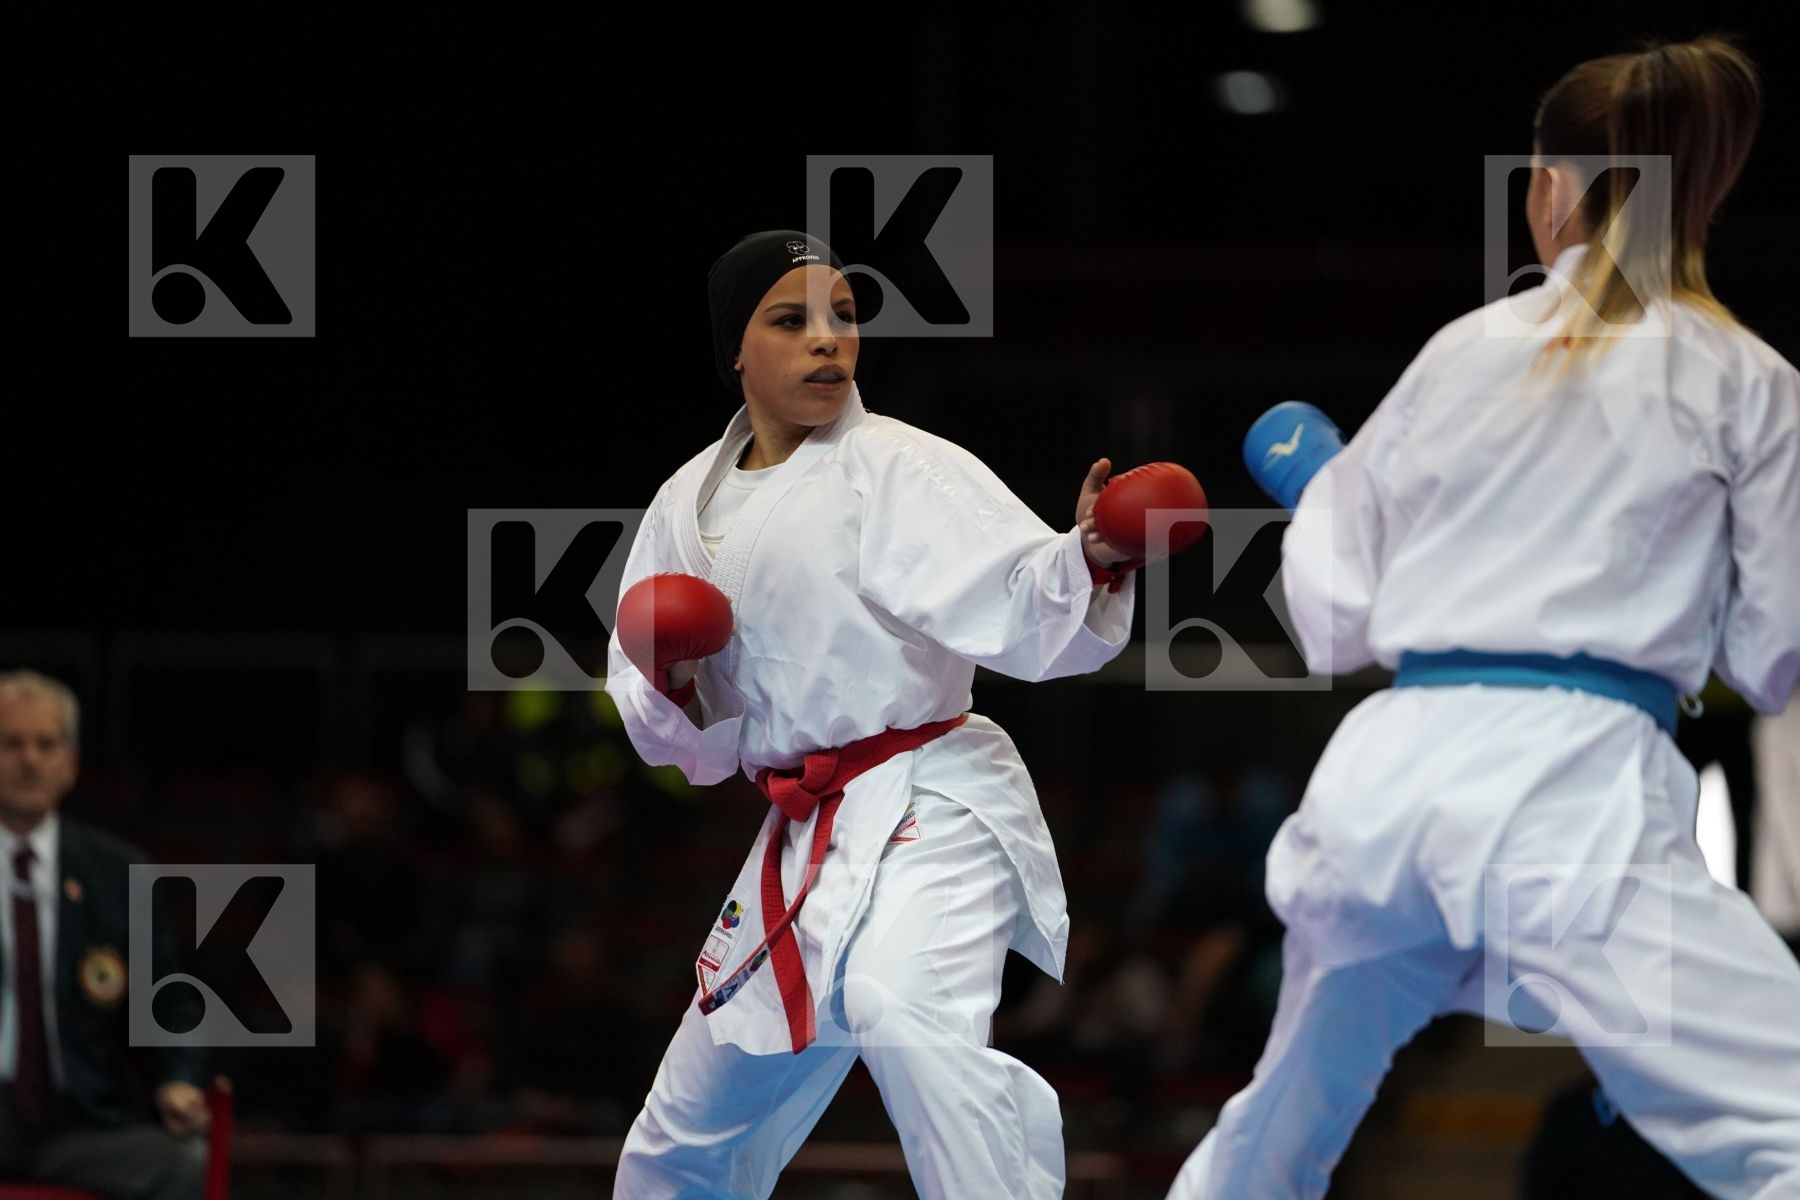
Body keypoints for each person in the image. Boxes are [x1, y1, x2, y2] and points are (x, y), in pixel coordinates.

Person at [1170, 36, 1800, 1200]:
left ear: (1548, 188)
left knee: (1268, 1146)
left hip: (1387, 793)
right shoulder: (1745, 376)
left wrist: (1323, 498)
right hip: (1567, 797)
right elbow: (1769, 661)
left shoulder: (1460, 351)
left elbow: (1344, 612)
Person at [603, 230, 1151, 1198]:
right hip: (799, 834)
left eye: (845, 318)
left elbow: (1023, 602)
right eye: (792, 320)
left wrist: (1090, 556)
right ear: (736, 347)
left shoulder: (901, 466)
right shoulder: (683, 503)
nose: (829, 341)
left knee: (902, 1009)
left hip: (930, 796)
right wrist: (670, 681)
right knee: (684, 1132)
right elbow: (678, 743)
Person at [0, 669, 212, 1198]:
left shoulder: (116, 874)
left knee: (181, 1163)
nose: (30, 759)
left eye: (46, 745)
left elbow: (169, 1002)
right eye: (11, 743)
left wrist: (178, 1081)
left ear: (69, 764)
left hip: (80, 1123)